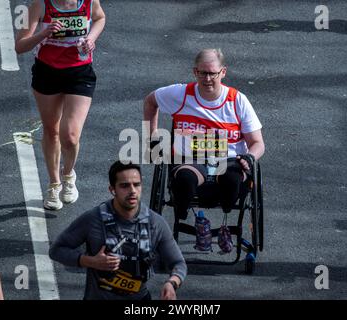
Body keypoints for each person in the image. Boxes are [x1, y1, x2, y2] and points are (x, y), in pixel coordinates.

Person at [143, 48, 265, 220]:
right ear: (195, 72)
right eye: (203, 73)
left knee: (231, 179)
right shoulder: (181, 94)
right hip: (191, 160)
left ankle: (226, 209)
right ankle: (182, 212)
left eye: (213, 74)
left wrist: (249, 157)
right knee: (185, 179)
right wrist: (152, 137)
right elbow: (150, 102)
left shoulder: (237, 100)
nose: (207, 79)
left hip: (229, 161)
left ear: (223, 72)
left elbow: (258, 143)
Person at [49, 161, 187, 300]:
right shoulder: (93, 219)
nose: (132, 191)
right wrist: (90, 261)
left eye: (136, 184)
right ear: (112, 189)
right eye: (125, 186)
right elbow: (57, 250)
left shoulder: (156, 223)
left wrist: (172, 283)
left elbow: (178, 263)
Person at [15, 0, 106, 210]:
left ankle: (68, 175)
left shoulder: (89, 2)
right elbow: (20, 46)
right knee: (52, 130)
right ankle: (54, 184)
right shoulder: (41, 5)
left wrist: (91, 39)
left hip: (80, 72)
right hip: (47, 72)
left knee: (71, 135)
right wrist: (43, 33)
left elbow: (100, 18)